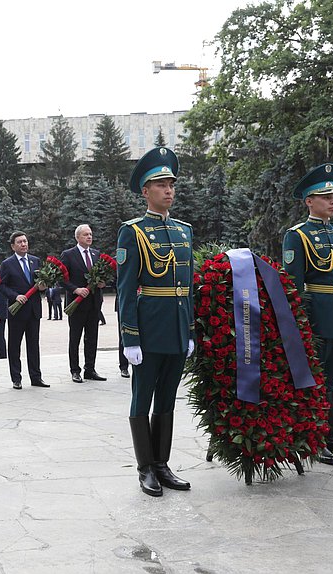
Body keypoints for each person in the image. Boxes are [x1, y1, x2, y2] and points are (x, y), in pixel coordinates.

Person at [117, 147, 194, 497]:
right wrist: (130, 337)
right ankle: (145, 467)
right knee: (141, 399)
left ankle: (162, 463)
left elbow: (187, 286)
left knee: (167, 399)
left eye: (171, 184)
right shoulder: (132, 232)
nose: (169, 190)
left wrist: (190, 330)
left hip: (177, 328)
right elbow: (125, 289)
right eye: (160, 184)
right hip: (148, 330)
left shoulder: (183, 231)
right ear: (145, 192)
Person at [283, 163, 333, 464]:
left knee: (331, 381)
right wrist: (301, 327)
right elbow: (294, 287)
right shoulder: (298, 236)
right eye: (324, 196)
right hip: (317, 321)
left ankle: (332, 437)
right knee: (315, 381)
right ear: (309, 201)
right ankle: (312, 441)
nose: (332, 201)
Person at [0, 231, 49, 390]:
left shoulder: (35, 261)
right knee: (14, 345)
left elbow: (42, 284)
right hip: (17, 310)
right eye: (19, 242)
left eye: (25, 241)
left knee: (33, 345)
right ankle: (16, 378)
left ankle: (36, 377)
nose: (23, 244)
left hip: (33, 310)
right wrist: (15, 296)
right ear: (13, 246)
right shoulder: (7, 264)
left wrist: (43, 288)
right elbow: (1, 285)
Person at [60, 224, 106, 383]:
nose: (89, 237)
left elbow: (102, 275)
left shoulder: (96, 254)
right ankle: (75, 370)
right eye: (86, 234)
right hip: (77, 304)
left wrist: (102, 283)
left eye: (91, 234)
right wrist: (75, 289)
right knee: (75, 338)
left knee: (92, 337)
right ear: (78, 237)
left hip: (94, 303)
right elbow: (62, 279)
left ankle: (90, 369)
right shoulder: (68, 255)